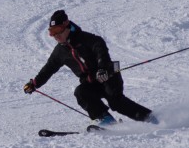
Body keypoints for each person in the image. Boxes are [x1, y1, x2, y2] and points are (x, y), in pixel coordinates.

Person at [24, 10, 156, 125]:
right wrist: (34, 84)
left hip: (108, 77)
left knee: (117, 103)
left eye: (57, 30)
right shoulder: (60, 51)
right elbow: (48, 69)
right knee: (81, 92)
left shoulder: (86, 39)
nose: (55, 36)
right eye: (51, 32)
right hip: (91, 82)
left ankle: (151, 118)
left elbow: (100, 48)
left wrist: (102, 68)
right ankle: (106, 121)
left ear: (66, 25)